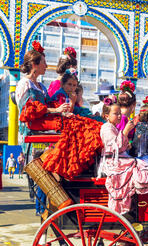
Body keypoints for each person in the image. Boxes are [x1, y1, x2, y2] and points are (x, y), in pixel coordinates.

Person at [18, 41, 103, 181]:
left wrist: (61, 110)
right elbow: (28, 111)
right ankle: (68, 166)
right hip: (35, 124)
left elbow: (48, 105)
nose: (46, 66)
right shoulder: (24, 84)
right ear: (35, 64)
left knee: (83, 122)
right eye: (44, 62)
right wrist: (56, 110)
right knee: (76, 125)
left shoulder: (40, 86)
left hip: (47, 119)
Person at [99, 102, 148, 217]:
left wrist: (127, 143)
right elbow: (115, 148)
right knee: (139, 164)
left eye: (119, 113)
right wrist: (126, 131)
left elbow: (121, 145)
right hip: (113, 162)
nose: (119, 116)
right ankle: (135, 202)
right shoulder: (106, 128)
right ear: (106, 116)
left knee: (141, 162)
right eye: (115, 114)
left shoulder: (113, 127)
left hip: (119, 158)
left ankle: (138, 201)